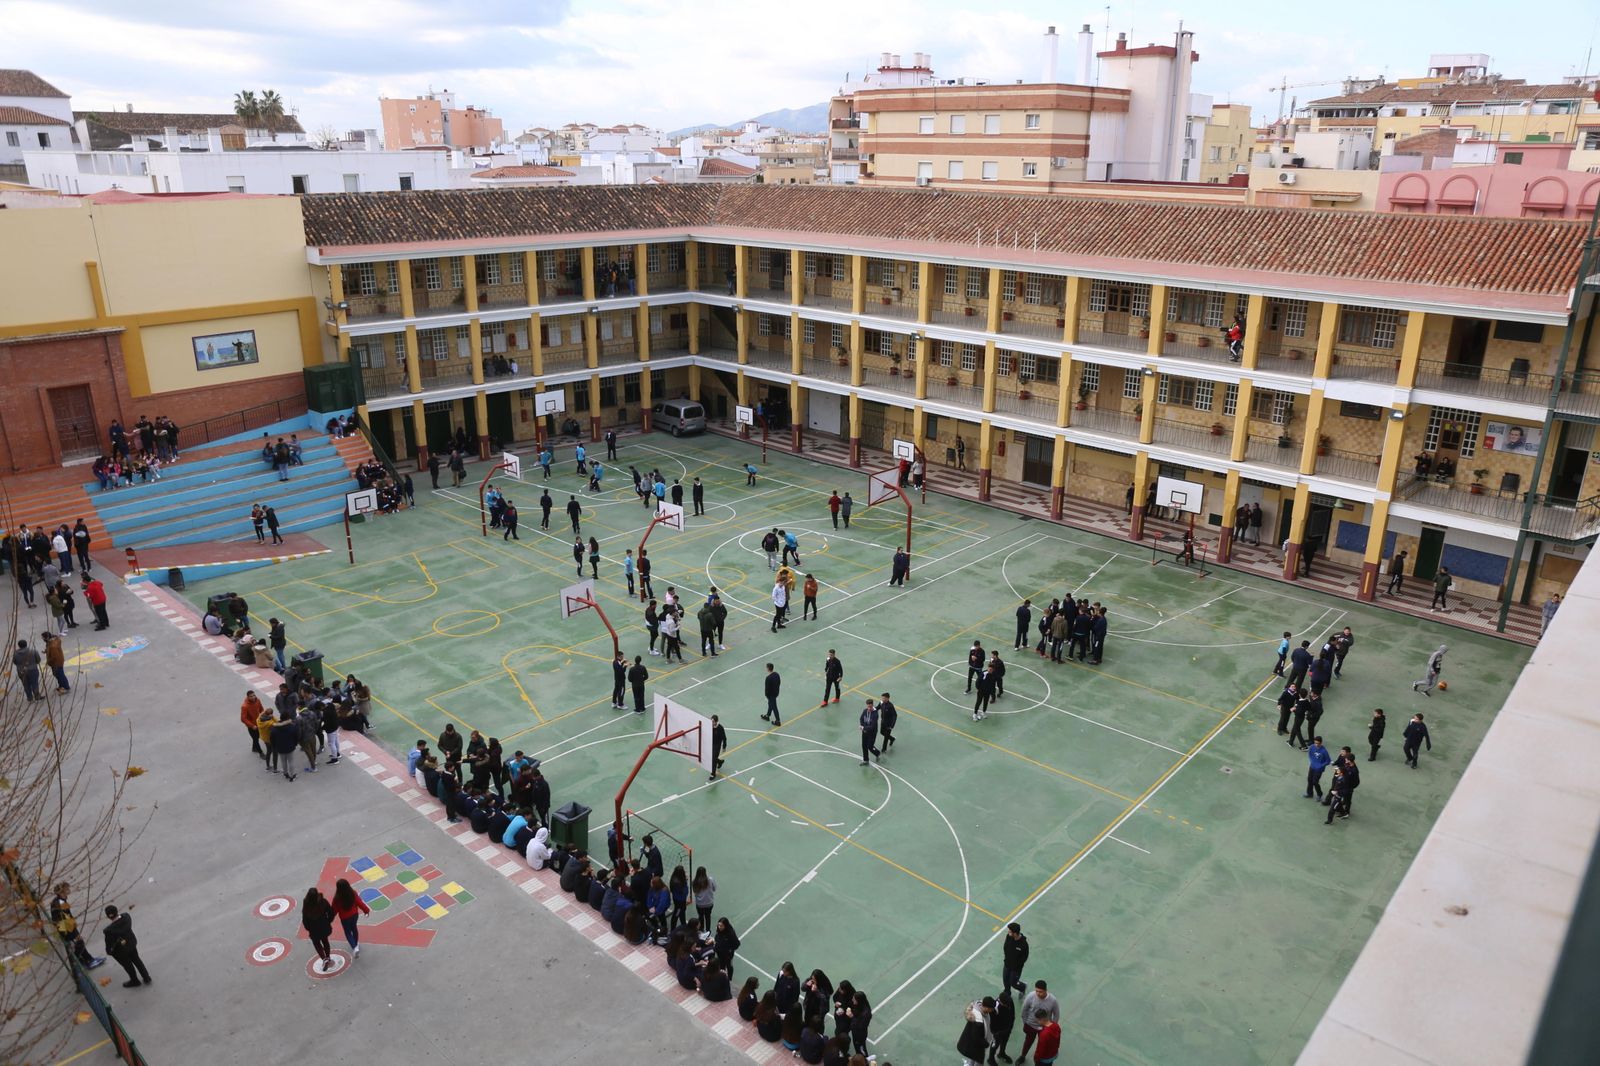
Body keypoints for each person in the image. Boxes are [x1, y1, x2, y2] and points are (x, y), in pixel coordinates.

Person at [50, 883, 104, 969]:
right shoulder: (61, 903)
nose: (69, 890)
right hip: (67, 928)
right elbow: (65, 917)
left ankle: (86, 960)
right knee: (79, 943)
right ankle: (86, 961)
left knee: (79, 943)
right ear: (61, 892)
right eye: (67, 889)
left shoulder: (58, 900)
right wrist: (73, 926)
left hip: (65, 927)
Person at [101, 904, 151, 988]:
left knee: (128, 965)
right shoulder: (126, 917)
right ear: (117, 911)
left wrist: (109, 951)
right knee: (137, 960)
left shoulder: (108, 930)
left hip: (121, 951)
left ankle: (135, 980)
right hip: (131, 944)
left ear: (108, 916)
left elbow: (109, 943)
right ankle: (146, 977)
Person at [1017, 982, 1060, 1061]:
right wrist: (1025, 1023)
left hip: (1045, 1027)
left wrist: (1051, 1027)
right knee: (1028, 1042)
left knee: (1043, 1044)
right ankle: (1022, 1056)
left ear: (1046, 990)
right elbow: (1024, 1010)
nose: (1038, 993)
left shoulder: (1053, 1000)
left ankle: (1040, 1057)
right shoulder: (1030, 996)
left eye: (1040, 991)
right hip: (1031, 1025)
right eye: (1036, 991)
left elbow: (1056, 1015)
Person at [331, 878, 370, 957]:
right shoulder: (353, 893)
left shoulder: (337, 898)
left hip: (345, 918)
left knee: (348, 932)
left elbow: (334, 910)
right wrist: (366, 910)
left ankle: (354, 947)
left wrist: (330, 918)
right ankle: (356, 943)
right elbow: (360, 903)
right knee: (354, 928)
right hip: (354, 915)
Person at [302, 887, 336, 971]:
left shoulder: (306, 905)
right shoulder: (323, 902)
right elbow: (331, 912)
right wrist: (328, 921)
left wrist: (308, 928)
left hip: (313, 929)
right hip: (324, 926)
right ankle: (328, 957)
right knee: (325, 941)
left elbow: (305, 919)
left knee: (316, 943)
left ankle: (324, 959)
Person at [958, 997, 996, 1066]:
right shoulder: (978, 1021)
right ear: (986, 1008)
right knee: (979, 1062)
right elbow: (976, 1037)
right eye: (992, 1009)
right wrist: (986, 1044)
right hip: (976, 1045)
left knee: (973, 1058)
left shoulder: (980, 1008)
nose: (992, 1010)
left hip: (973, 1044)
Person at [1001, 922, 1029, 994]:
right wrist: (1007, 959)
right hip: (1007, 964)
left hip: (1016, 968)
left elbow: (1025, 957)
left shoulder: (1023, 944)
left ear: (1015, 933)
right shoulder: (1009, 937)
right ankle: (1007, 992)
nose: (1008, 932)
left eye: (1010, 931)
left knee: (1013, 983)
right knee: (1005, 980)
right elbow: (1005, 947)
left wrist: (1017, 964)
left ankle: (1023, 987)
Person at [858, 699, 880, 765]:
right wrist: (862, 726)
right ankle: (866, 760)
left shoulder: (875, 714)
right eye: (868, 706)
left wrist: (863, 727)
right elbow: (861, 718)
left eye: (870, 707)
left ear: (872, 705)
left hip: (872, 733)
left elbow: (872, 726)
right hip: (865, 732)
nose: (869, 708)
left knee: (870, 746)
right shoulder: (865, 711)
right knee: (864, 746)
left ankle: (877, 753)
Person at [709, 714, 727, 781]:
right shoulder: (710, 726)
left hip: (717, 745)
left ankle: (713, 774)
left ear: (716, 721)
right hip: (711, 744)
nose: (712, 723)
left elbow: (724, 738)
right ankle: (720, 762)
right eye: (711, 721)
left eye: (713, 721)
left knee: (713, 759)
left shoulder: (720, 728)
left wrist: (724, 746)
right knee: (713, 757)